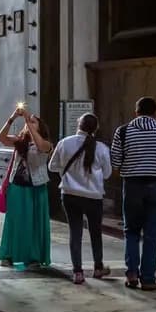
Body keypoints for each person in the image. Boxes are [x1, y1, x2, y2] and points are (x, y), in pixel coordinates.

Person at [111, 97, 156, 291]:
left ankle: (132, 274)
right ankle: (148, 279)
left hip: (133, 185)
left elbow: (115, 160)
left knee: (131, 231)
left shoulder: (123, 131)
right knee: (152, 235)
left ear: (136, 112)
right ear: (155, 112)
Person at [49, 114, 112, 284]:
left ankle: (78, 272)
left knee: (75, 232)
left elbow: (52, 166)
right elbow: (107, 173)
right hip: (93, 196)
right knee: (95, 232)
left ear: (79, 124)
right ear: (95, 128)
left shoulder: (65, 143)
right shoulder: (101, 148)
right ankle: (98, 268)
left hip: (70, 194)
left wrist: (67, 173)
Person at [0, 106, 52, 269]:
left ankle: (33, 257)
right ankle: (9, 255)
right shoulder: (19, 142)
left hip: (36, 187)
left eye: (34, 122)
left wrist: (28, 120)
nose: (29, 124)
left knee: (34, 223)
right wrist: (12, 118)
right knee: (14, 221)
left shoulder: (47, 144)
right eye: (28, 122)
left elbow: (41, 146)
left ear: (39, 127)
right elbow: (2, 138)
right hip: (17, 187)